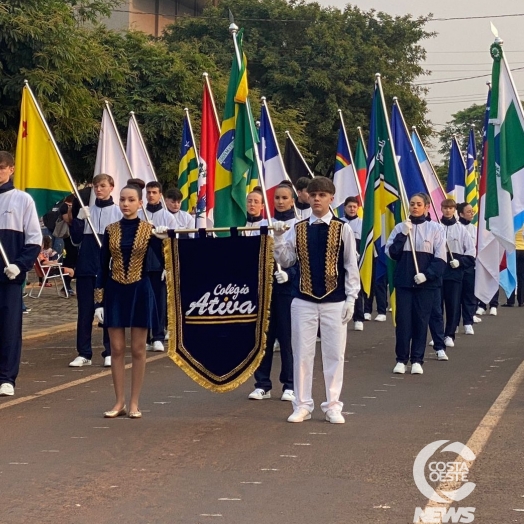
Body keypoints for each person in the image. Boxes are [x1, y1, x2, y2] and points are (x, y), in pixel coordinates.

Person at [273, 177, 360, 424]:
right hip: (303, 299)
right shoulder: (298, 228)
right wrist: (278, 239)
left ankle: (333, 404)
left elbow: (350, 265)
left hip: (335, 299)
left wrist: (352, 298)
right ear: (307, 198)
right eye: (313, 195)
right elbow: (287, 260)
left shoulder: (343, 228)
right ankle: (302, 404)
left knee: (334, 354)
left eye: (322, 195)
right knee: (302, 353)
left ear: (332, 198)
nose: (317, 199)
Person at [95, 182, 160, 419]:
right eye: (122, 199)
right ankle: (119, 401)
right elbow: (102, 267)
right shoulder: (110, 230)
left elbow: (164, 260)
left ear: (140, 203)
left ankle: (134, 402)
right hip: (115, 291)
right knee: (117, 348)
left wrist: (163, 239)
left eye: (131, 200)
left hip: (140, 290)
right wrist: (98, 301)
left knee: (139, 349)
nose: (125, 204)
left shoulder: (149, 228)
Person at [385, 193, 446, 375]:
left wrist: (427, 275)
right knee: (403, 321)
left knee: (421, 320)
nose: (415, 207)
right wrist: (403, 234)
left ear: (427, 207)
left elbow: (440, 257)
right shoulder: (400, 228)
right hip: (404, 282)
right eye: (412, 204)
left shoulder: (436, 229)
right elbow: (392, 253)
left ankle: (417, 359)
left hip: (426, 284)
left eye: (419, 204)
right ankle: (401, 359)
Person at [249, 182, 296, 402]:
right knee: (264, 336)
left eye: (284, 198)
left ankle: (290, 384)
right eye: (276, 197)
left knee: (287, 337)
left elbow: (299, 259)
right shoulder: (265, 223)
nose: (280, 201)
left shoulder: (298, 225)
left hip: (288, 286)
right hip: (265, 284)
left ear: (292, 201)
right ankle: (262, 384)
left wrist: (290, 273)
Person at [69, 173, 122, 368]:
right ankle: (84, 353)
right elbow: (75, 241)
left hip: (108, 271)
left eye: (102, 186)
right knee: (85, 312)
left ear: (111, 187)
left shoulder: (118, 213)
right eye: (95, 186)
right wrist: (79, 220)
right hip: (86, 269)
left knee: (108, 311)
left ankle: (109, 351)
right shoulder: (87, 212)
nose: (98, 189)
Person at [0, 151, 42, 397]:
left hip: (9, 276)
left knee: (8, 328)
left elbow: (35, 240)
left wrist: (19, 265)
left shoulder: (22, 200)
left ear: (11, 169)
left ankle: (6, 378)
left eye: (1, 168)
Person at [139, 181, 176, 352]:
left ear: (160, 194)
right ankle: (145, 337)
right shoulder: (140, 214)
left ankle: (158, 336)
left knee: (159, 302)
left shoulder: (168, 217)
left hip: (159, 265)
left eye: (154, 192)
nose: (151, 195)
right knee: (142, 303)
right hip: (140, 265)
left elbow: (173, 243)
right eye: (149, 192)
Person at [439, 199, 476, 348]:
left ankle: (449, 334)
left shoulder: (461, 230)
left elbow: (471, 252)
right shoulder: (436, 227)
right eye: (445, 208)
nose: (448, 210)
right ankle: (438, 334)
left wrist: (460, 262)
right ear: (441, 209)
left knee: (453, 305)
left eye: (450, 208)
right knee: (436, 306)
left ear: (454, 210)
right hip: (439, 271)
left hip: (454, 273)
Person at [341, 196, 365, 331]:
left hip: (357, 260)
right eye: (349, 206)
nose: (352, 209)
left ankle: (359, 318)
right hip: (341, 259)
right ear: (345, 207)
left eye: (354, 207)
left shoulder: (362, 224)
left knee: (356, 288)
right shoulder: (339, 223)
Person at [457, 202, 481, 329]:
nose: (472, 213)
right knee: (455, 298)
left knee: (469, 295)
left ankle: (468, 322)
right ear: (461, 214)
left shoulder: (475, 229)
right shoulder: (456, 228)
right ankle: (454, 324)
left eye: (472, 211)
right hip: (455, 266)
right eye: (469, 211)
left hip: (470, 266)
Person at [58, 194, 78, 296]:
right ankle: (66, 285)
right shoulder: (64, 207)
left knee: (74, 261)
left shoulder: (74, 205)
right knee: (69, 260)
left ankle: (68, 284)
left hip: (75, 238)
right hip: (68, 237)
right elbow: (69, 220)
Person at [502, 226, 524, 307]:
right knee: (521, 276)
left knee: (511, 274)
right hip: (523, 249)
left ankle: (510, 301)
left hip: (513, 249)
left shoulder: (513, 219)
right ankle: (521, 301)